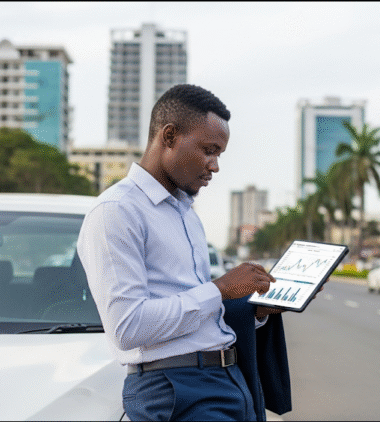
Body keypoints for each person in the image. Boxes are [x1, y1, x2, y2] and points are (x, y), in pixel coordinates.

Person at [77, 84, 288, 421]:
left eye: (219, 155)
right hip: (177, 388)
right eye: (209, 150)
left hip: (227, 380)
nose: (215, 166)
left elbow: (196, 311)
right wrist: (221, 288)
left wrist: (255, 309)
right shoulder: (117, 211)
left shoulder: (186, 213)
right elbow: (128, 327)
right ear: (170, 136)